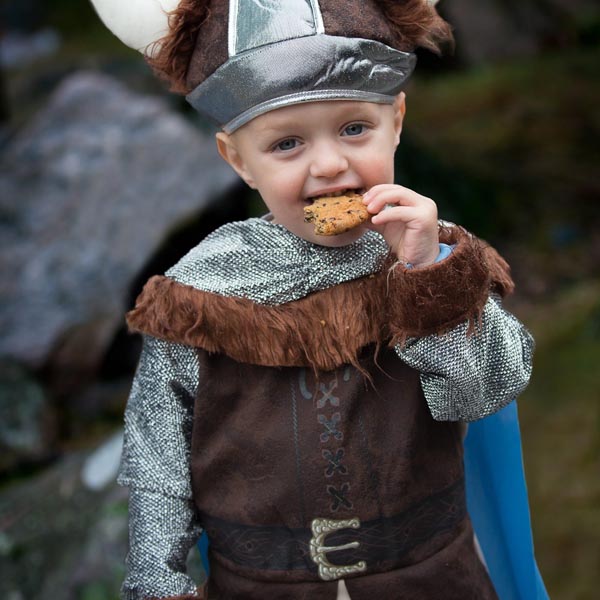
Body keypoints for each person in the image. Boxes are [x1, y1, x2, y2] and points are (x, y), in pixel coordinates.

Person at [90, 1, 538, 599]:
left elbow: (483, 394)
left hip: (432, 578)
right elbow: (159, 461)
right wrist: (158, 578)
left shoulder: (434, 256)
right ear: (238, 160)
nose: (329, 164)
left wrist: (427, 280)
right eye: (287, 144)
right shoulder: (198, 296)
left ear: (396, 120)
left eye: (354, 129)